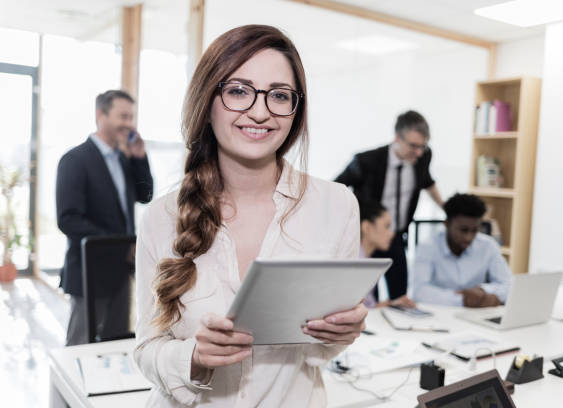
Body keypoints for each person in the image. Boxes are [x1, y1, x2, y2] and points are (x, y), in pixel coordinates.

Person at [134, 25, 367, 407]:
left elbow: (317, 355)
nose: (260, 112)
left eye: (278, 95)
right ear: (207, 102)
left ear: (296, 109)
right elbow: (146, 348)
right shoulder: (161, 217)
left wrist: (340, 333)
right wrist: (192, 357)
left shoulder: (337, 206)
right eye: (238, 91)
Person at [56, 90, 153, 346]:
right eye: (122, 116)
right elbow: (68, 219)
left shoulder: (124, 159)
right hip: (90, 271)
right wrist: (120, 245)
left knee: (115, 345)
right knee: (80, 346)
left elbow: (146, 195)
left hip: (121, 274)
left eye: (131, 116)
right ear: (101, 115)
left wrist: (140, 158)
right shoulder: (74, 160)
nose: (129, 123)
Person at [335, 110, 444, 301]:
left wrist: (446, 209)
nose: (418, 152)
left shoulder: (422, 157)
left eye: (423, 146)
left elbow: (427, 181)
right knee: (366, 298)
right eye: (413, 146)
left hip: (395, 236)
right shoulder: (367, 161)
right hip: (368, 236)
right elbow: (336, 188)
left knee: (400, 296)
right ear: (397, 138)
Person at [412, 193, 512, 307]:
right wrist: (463, 299)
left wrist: (482, 290)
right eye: (463, 230)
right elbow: (419, 292)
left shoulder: (488, 246)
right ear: (447, 224)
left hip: (478, 316)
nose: (469, 237)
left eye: (474, 230)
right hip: (439, 315)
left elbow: (509, 284)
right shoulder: (428, 247)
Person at [359, 201, 415, 308]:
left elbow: (368, 306)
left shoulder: (366, 260)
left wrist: (392, 304)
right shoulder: (355, 263)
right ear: (366, 227)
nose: (391, 233)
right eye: (387, 226)